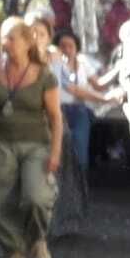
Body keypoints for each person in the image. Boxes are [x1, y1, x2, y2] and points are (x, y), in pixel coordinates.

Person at [0, 16, 61, 258]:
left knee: (37, 196)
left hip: (36, 144)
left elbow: (56, 118)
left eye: (11, 37)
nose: (4, 42)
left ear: (26, 42)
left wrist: (55, 152)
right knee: (0, 199)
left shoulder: (45, 75)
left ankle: (37, 239)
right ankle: (15, 251)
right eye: (3, 37)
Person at [52, 30, 105, 171]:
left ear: (77, 48)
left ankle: (80, 187)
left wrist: (118, 71)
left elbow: (99, 85)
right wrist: (105, 99)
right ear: (57, 48)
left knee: (80, 151)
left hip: (80, 111)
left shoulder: (83, 63)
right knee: (60, 151)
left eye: (71, 46)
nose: (67, 50)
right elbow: (72, 89)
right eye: (63, 46)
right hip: (58, 111)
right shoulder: (54, 64)